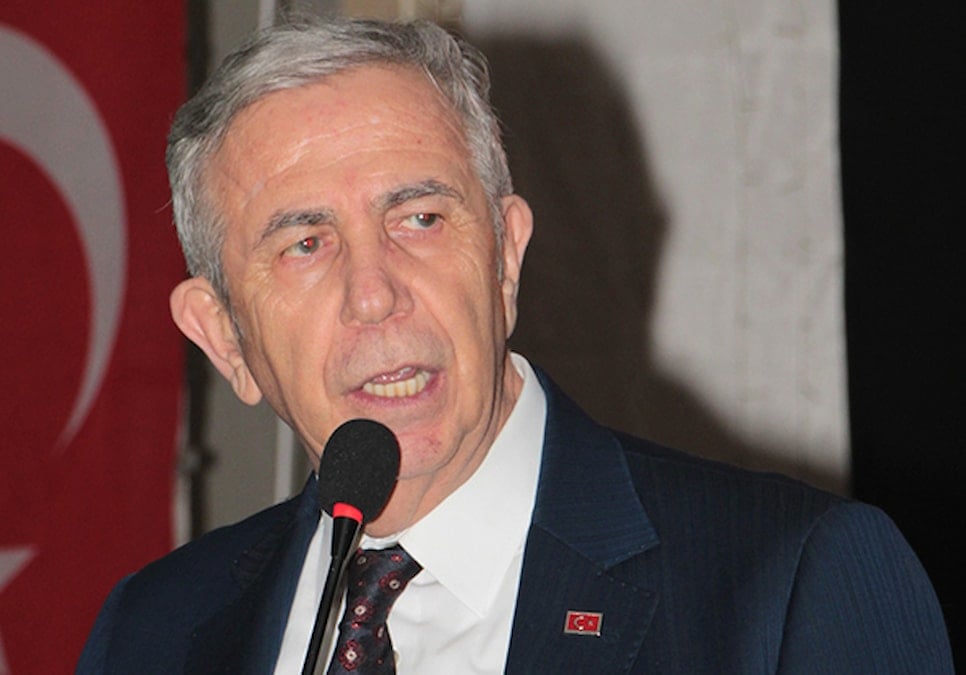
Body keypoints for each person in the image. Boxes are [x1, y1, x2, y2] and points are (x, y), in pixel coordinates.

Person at [78, 15, 952, 674]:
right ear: (224, 337)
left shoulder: (789, 586)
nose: (374, 293)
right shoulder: (151, 630)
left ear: (505, 260)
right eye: (305, 244)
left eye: (420, 218)